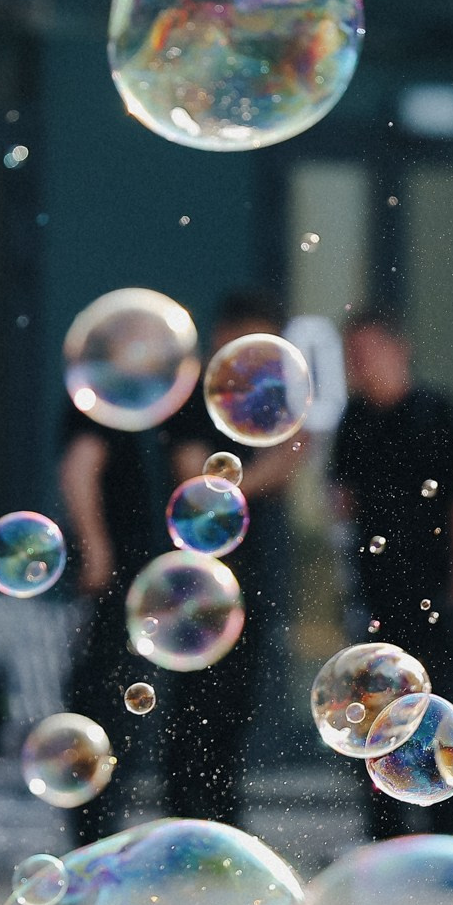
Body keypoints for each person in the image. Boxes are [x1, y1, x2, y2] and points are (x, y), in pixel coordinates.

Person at [326, 309, 453, 841]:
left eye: (365, 352)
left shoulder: (437, 413)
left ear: (400, 348)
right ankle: (386, 833)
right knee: (373, 711)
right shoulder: (354, 419)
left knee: (439, 707)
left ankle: (449, 831)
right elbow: (340, 501)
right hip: (376, 592)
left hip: (432, 588)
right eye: (352, 355)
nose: (357, 364)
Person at [162, 290, 305, 827]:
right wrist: (254, 480)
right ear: (221, 338)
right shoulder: (195, 400)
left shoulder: (270, 400)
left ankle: (223, 810)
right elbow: (196, 480)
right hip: (197, 572)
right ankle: (186, 811)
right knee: (196, 689)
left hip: (255, 566)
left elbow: (295, 456)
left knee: (238, 694)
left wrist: (242, 484)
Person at [58, 357, 180, 846]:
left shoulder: (144, 410)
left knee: (121, 706)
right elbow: (78, 471)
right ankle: (93, 833)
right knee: (106, 701)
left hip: (144, 583)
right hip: (120, 584)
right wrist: (97, 550)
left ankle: (98, 829)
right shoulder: (104, 403)